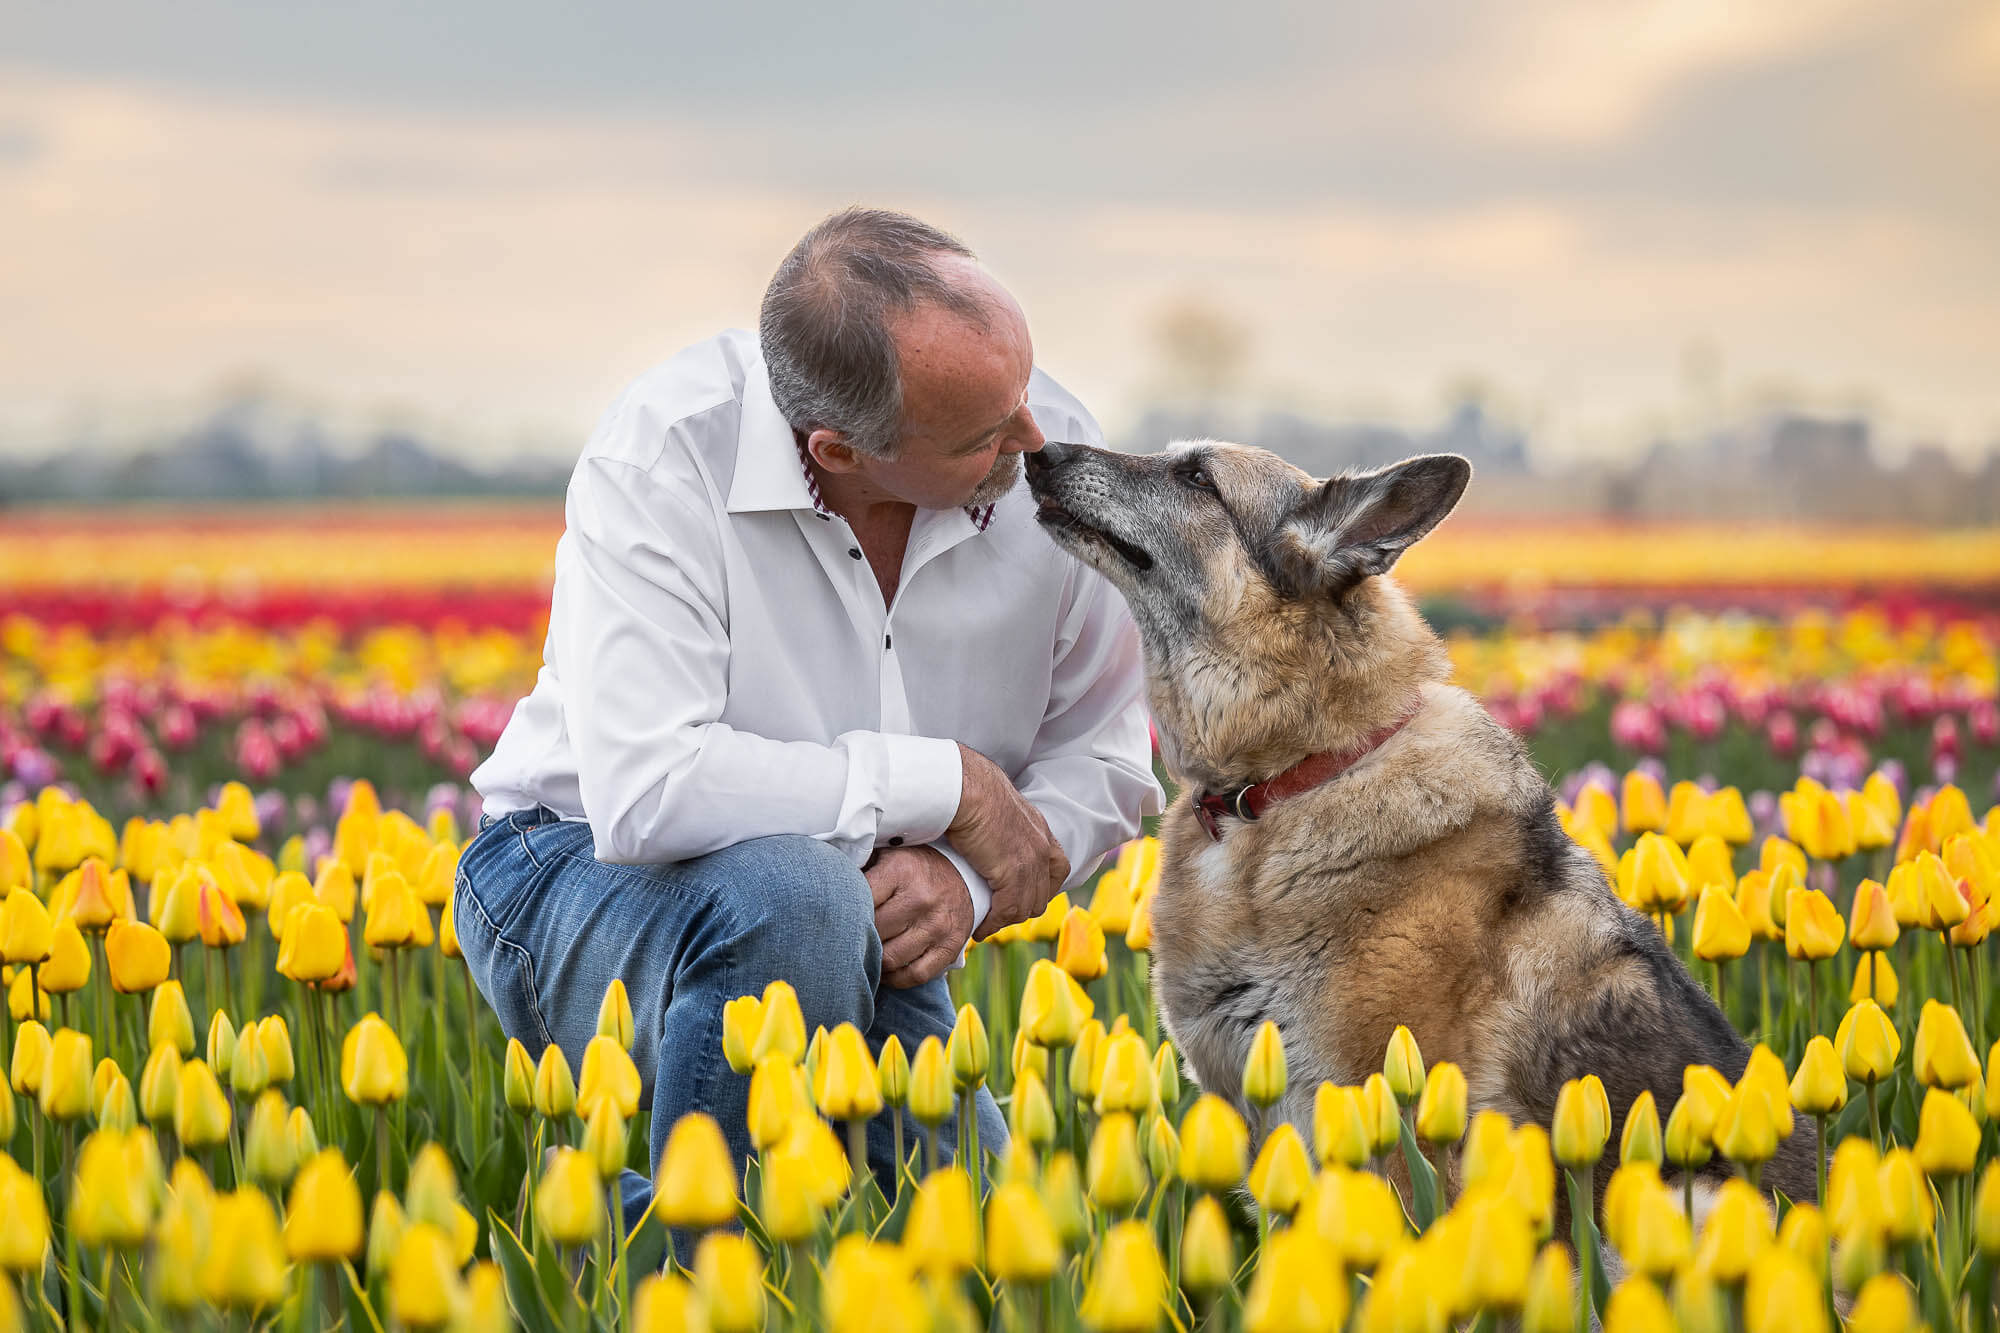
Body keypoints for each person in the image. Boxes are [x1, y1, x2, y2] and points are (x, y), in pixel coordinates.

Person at [455, 207, 1162, 1218]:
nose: (1036, 441)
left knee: (990, 1242)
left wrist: (959, 881)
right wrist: (948, 783)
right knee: (795, 900)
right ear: (835, 451)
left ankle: (612, 1242)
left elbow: (1101, 760)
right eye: (982, 436)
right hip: (576, 873)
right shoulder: (665, 459)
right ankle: (693, 1261)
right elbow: (648, 793)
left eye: (1021, 389)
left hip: (849, 911)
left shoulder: (1040, 451)